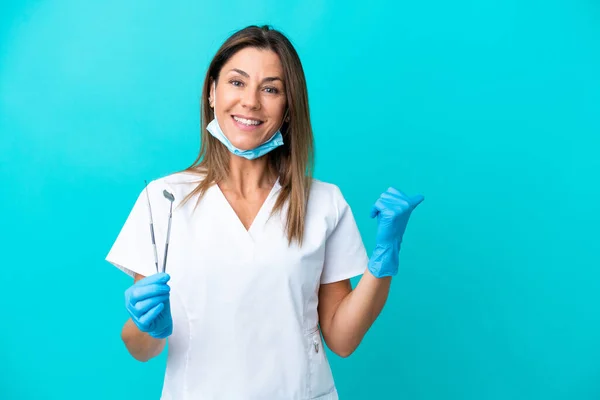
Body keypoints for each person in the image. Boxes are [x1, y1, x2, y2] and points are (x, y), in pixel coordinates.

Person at [106, 25, 424, 400]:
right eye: (237, 83)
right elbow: (140, 348)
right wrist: (149, 328)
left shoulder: (322, 202)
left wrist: (382, 261)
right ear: (212, 92)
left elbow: (342, 339)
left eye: (270, 89)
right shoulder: (164, 199)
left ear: (289, 108)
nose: (251, 102)